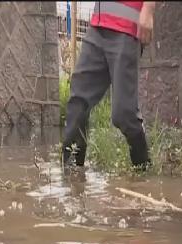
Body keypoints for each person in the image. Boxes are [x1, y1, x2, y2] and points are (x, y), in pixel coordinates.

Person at [62, 1, 156, 171]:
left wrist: (148, 9)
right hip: (97, 27)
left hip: (127, 30)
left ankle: (144, 170)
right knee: (77, 103)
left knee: (124, 115)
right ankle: (72, 179)